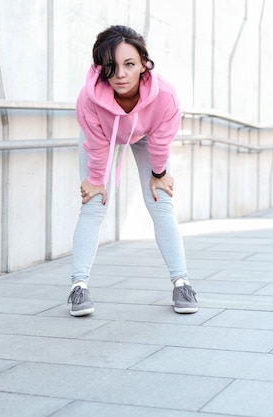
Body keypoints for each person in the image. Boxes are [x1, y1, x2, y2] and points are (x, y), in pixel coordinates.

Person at [68, 25, 198, 317]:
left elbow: (162, 140)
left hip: (148, 136)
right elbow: (98, 145)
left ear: (143, 63)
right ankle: (78, 287)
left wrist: (159, 172)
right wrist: (97, 180)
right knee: (93, 204)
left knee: (161, 201)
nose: (121, 75)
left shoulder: (165, 96)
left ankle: (182, 283)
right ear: (101, 69)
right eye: (112, 67)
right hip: (102, 137)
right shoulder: (89, 99)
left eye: (129, 64)